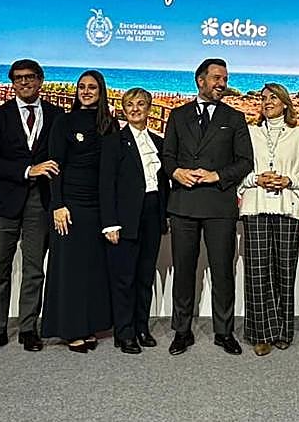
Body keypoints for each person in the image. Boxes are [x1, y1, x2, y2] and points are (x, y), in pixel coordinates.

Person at [162, 58, 253, 356]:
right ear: (200, 80)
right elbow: (167, 156)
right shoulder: (178, 115)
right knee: (184, 271)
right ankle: (182, 331)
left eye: (224, 79)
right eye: (216, 78)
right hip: (184, 203)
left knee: (223, 272)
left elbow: (245, 161)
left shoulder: (235, 118)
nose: (222, 84)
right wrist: (176, 172)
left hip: (219, 205)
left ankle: (224, 332)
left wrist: (217, 175)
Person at [0, 59, 62, 357]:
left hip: (41, 202)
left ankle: (28, 329)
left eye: (30, 77)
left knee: (34, 269)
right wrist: (27, 170)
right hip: (3, 203)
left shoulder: (56, 115)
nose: (24, 82)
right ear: (12, 82)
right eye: (18, 78)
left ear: (41, 80)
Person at [238, 83, 299, 356]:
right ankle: (260, 333)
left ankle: (283, 331)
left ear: (285, 103)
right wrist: (255, 179)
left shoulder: (298, 135)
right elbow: (238, 168)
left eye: (273, 97)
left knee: (285, 270)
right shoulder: (250, 133)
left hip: (287, 207)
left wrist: (288, 180)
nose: (267, 102)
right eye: (264, 98)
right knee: (257, 272)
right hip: (256, 206)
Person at [42, 70, 116, 352]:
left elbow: (111, 170)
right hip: (69, 205)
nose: (86, 91)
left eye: (92, 87)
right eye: (82, 87)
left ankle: (89, 325)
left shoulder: (109, 124)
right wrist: (57, 204)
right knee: (69, 270)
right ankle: (70, 329)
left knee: (93, 270)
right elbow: (55, 166)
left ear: (101, 91)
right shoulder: (64, 121)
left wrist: (110, 216)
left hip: (97, 207)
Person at [99, 88, 170, 353]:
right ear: (124, 109)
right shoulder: (114, 142)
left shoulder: (158, 143)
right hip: (125, 217)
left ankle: (142, 327)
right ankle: (124, 332)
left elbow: (163, 185)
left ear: (149, 108)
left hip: (152, 214)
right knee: (124, 278)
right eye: (130, 104)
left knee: (144, 275)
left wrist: (163, 216)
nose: (135, 109)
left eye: (141, 104)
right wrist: (110, 223)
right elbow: (106, 185)